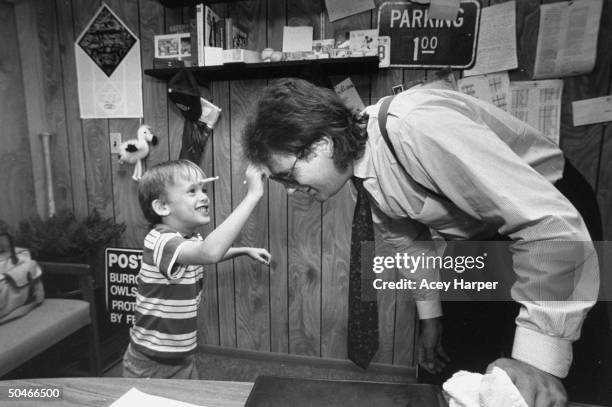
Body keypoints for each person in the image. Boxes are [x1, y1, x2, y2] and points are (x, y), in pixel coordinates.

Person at [241, 78, 603, 406]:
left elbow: (547, 224)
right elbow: (409, 244)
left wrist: (537, 362)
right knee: (461, 363)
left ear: (321, 144)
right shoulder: (359, 165)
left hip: (553, 221)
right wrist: (431, 319)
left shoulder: (416, 127)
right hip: (483, 232)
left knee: (548, 369)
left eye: (287, 176)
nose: (290, 191)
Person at [122, 159, 271, 379]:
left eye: (204, 189)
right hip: (150, 363)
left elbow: (203, 254)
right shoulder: (160, 241)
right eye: (192, 191)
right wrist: (252, 195)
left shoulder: (189, 239)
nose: (203, 196)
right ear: (162, 206)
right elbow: (208, 253)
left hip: (183, 356)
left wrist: (243, 250)